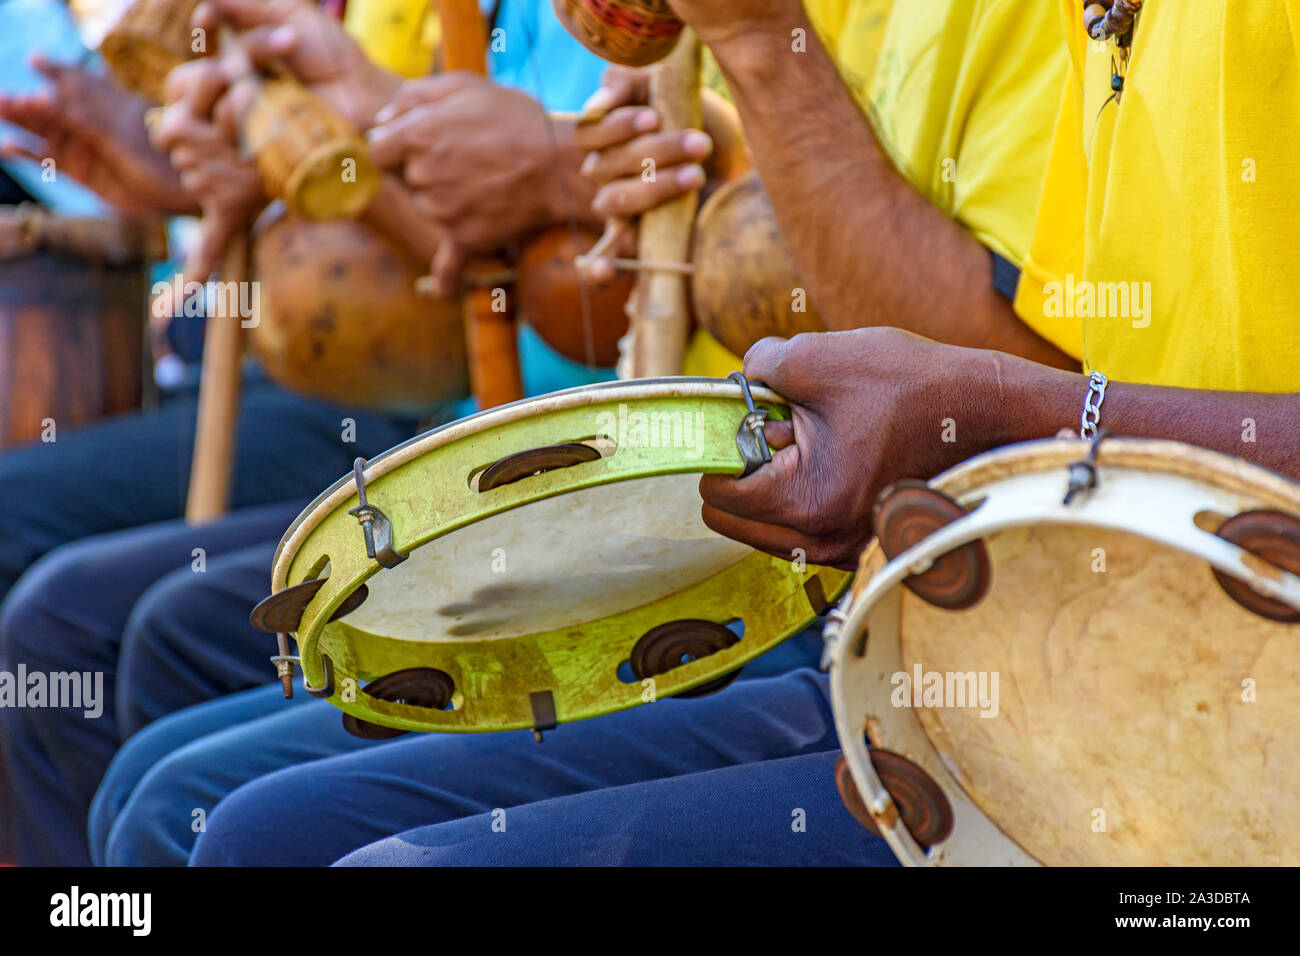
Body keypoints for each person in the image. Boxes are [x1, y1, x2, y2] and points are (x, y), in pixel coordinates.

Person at [91, 0, 1081, 867]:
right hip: (682, 497)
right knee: (162, 713)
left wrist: (729, 71)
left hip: (913, 589)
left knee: (220, 812)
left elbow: (989, 402)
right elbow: (559, 305)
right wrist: (374, 139)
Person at [335, 0, 1300, 864]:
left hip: (1208, 722)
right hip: (1054, 651)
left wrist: (759, 47)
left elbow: (1015, 385)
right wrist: (673, 170)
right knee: (250, 810)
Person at [0, 0, 642, 866]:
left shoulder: (642, 29)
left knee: (176, 772)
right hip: (443, 417)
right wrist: (246, 181)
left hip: (591, 458)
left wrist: (525, 165)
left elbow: (546, 306)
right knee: (111, 627)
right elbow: (419, 248)